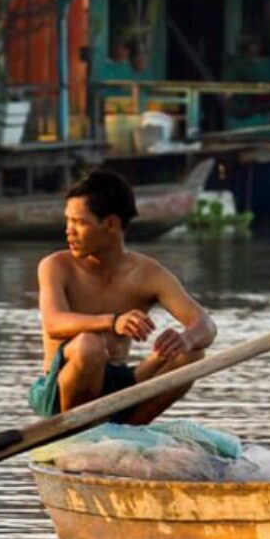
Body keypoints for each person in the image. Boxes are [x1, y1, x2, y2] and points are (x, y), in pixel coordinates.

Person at [32, 168, 217, 425]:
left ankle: (126, 431)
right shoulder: (55, 266)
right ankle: (71, 434)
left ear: (111, 225)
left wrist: (185, 339)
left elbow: (206, 325)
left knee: (193, 355)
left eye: (80, 222)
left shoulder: (148, 273)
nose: (69, 231)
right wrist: (113, 321)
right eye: (68, 221)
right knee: (89, 346)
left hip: (121, 388)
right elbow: (54, 324)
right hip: (62, 392)